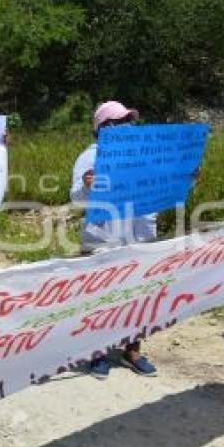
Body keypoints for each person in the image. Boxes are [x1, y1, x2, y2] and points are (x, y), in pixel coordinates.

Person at [70, 100, 158, 379]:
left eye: (129, 121)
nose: (127, 127)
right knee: (100, 298)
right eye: (120, 122)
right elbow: (76, 199)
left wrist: (185, 179)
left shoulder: (142, 157)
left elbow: (160, 187)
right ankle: (96, 353)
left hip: (138, 238)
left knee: (137, 297)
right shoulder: (91, 156)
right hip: (103, 240)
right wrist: (86, 185)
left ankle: (132, 350)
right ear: (103, 128)